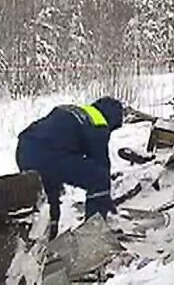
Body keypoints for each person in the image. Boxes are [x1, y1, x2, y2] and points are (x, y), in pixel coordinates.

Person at [16, 96, 124, 239]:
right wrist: (105, 199)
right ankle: (94, 234)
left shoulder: (75, 111)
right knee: (98, 177)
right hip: (49, 155)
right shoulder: (99, 123)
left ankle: (50, 230)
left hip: (24, 149)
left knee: (50, 186)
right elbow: (101, 165)